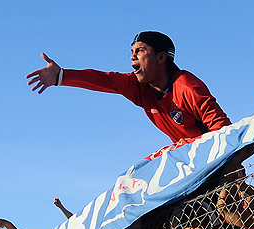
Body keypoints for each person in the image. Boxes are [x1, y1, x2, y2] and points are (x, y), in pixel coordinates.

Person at [26, 31, 231, 145]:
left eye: (140, 50)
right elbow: (104, 80)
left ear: (161, 57)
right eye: (131, 51)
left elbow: (224, 130)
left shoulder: (186, 86)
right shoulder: (138, 87)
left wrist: (194, 148)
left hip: (214, 164)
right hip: (188, 164)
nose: (132, 56)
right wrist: (62, 76)